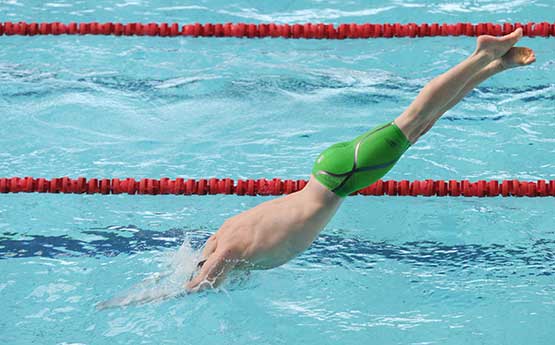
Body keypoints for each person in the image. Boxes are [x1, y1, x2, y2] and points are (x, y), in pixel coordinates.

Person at [186, 28, 535, 292]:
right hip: (334, 173)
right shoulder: (224, 235)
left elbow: (199, 286)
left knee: (415, 118)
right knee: (422, 124)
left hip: (343, 176)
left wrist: (148, 301)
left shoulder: (227, 251)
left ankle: (481, 55)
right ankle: (492, 65)